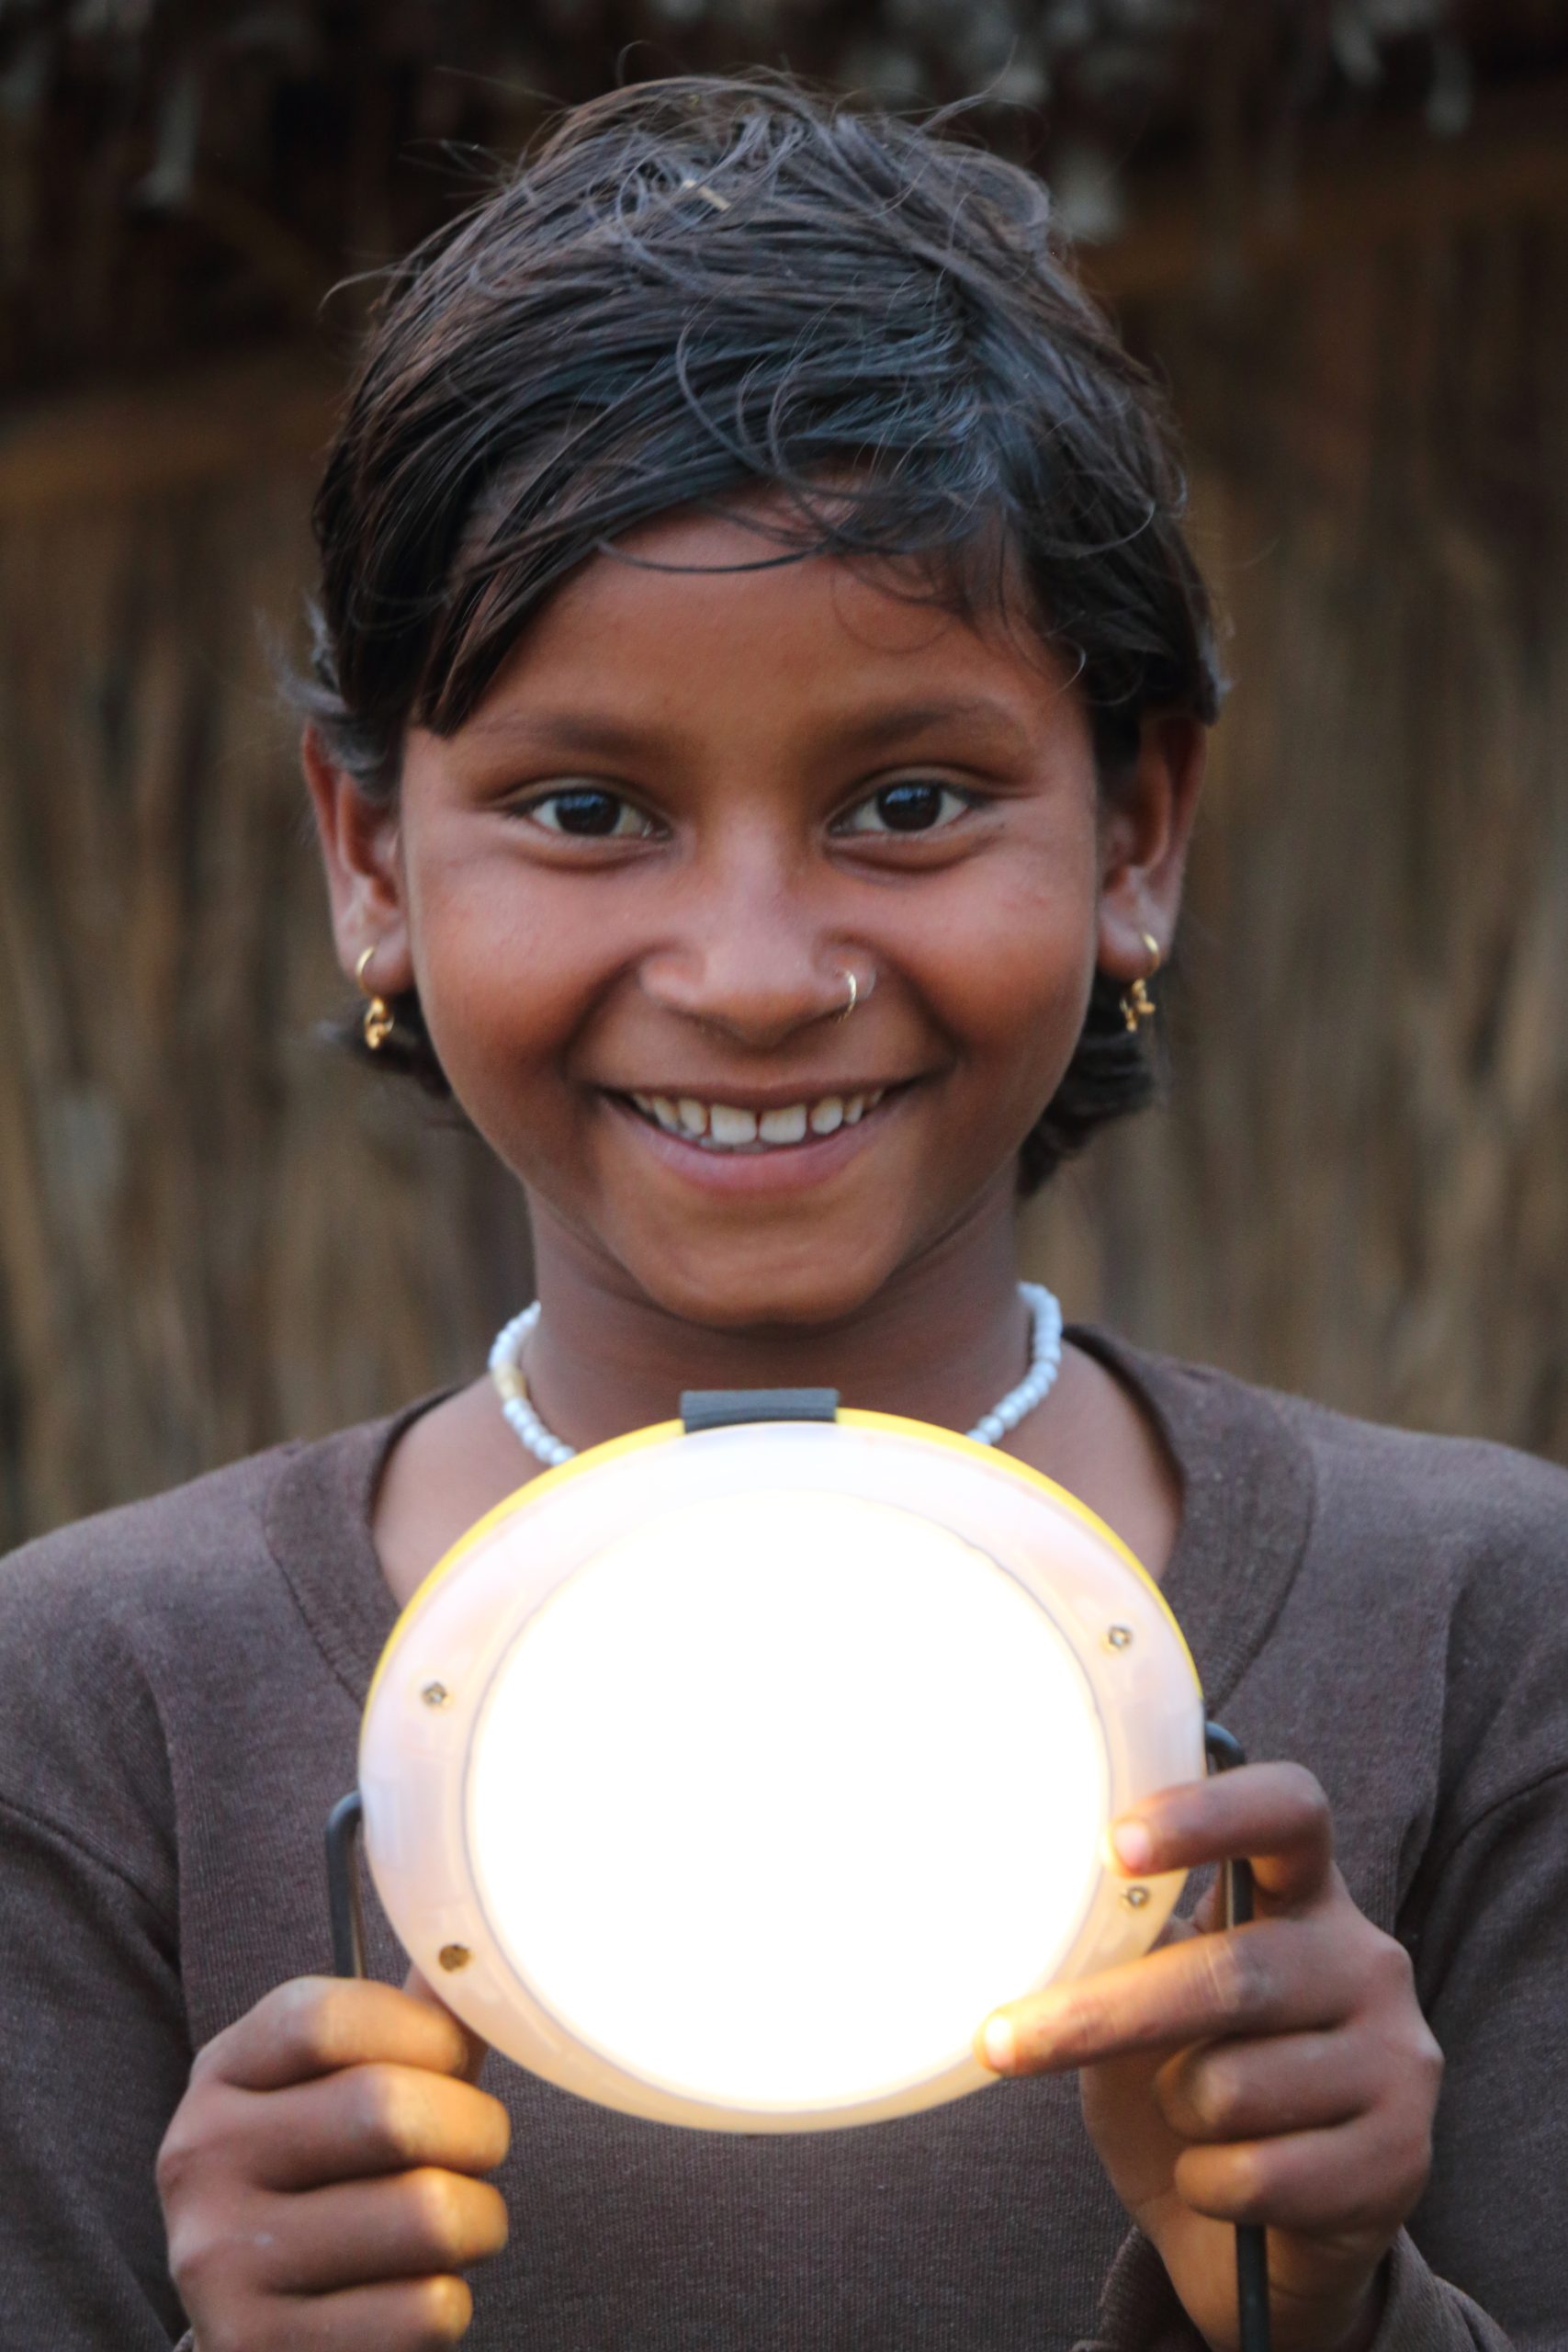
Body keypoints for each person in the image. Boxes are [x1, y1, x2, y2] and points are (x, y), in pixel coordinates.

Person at [1, 72, 1562, 2352]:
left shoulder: (1485, 1636)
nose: (749, 972)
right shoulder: (93, 1708)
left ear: (1137, 827)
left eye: (906, 799)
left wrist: (1317, 2302)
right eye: (583, 805)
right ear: (367, 862)